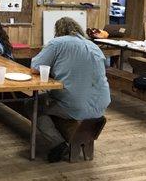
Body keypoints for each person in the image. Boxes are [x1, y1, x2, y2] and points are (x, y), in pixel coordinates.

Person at [30, 17, 111, 162]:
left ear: (58, 30)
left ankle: (58, 143)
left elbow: (36, 67)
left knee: (33, 105)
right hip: (101, 105)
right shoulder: (93, 46)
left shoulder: (57, 43)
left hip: (75, 106)